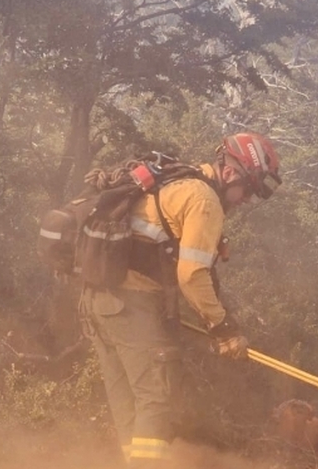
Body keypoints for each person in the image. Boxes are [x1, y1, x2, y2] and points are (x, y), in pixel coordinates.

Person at [79, 132, 282, 467]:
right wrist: (223, 328)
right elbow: (191, 274)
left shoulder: (180, 180)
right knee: (157, 401)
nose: (246, 199)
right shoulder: (204, 199)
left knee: (129, 403)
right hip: (131, 304)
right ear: (231, 173)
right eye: (248, 188)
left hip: (99, 302)